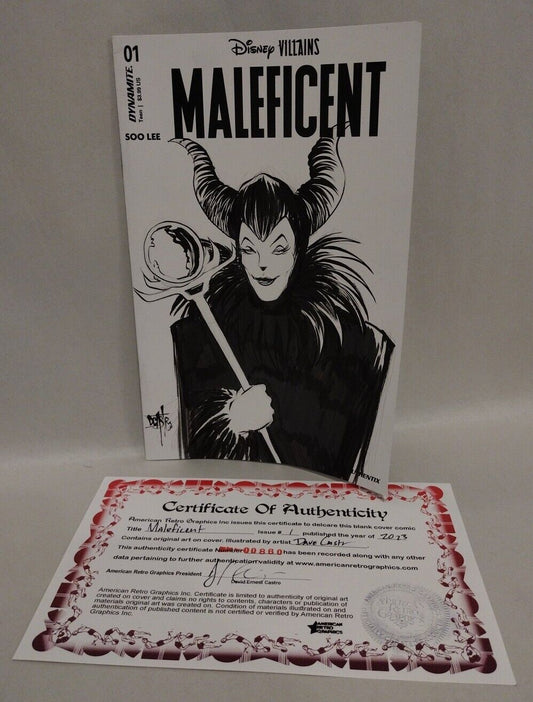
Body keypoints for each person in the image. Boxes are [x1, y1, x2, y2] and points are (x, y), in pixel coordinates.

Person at [169, 133, 393, 481]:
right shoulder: (201, 333)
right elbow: (187, 453)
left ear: (298, 250)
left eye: (278, 248)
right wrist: (231, 421)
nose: (262, 264)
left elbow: (361, 463)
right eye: (249, 248)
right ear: (237, 251)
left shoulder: (358, 344)